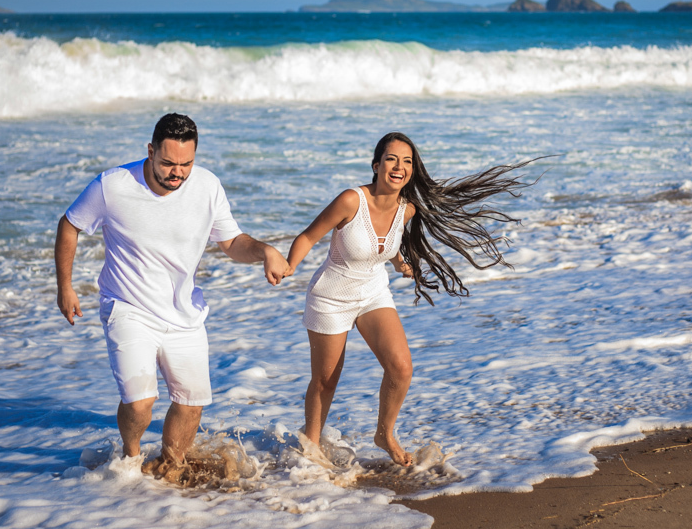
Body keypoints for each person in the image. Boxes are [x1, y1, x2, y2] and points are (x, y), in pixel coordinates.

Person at [55, 113, 289, 476]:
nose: (177, 172)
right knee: (139, 402)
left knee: (191, 403)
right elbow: (70, 225)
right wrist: (65, 286)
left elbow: (231, 242)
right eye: (167, 163)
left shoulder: (207, 186)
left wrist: (264, 250)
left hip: (184, 313)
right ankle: (130, 461)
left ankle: (170, 466)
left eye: (186, 164)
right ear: (150, 151)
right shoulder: (113, 186)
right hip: (128, 307)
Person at [285, 132, 536, 466]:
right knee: (326, 379)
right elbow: (308, 236)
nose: (399, 166)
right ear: (376, 166)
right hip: (331, 297)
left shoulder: (407, 210)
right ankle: (311, 447)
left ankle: (384, 434)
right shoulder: (350, 201)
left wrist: (401, 263)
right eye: (391, 159)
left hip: (373, 291)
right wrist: (289, 265)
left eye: (407, 161)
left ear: (413, 171)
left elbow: (382, 245)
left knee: (401, 368)